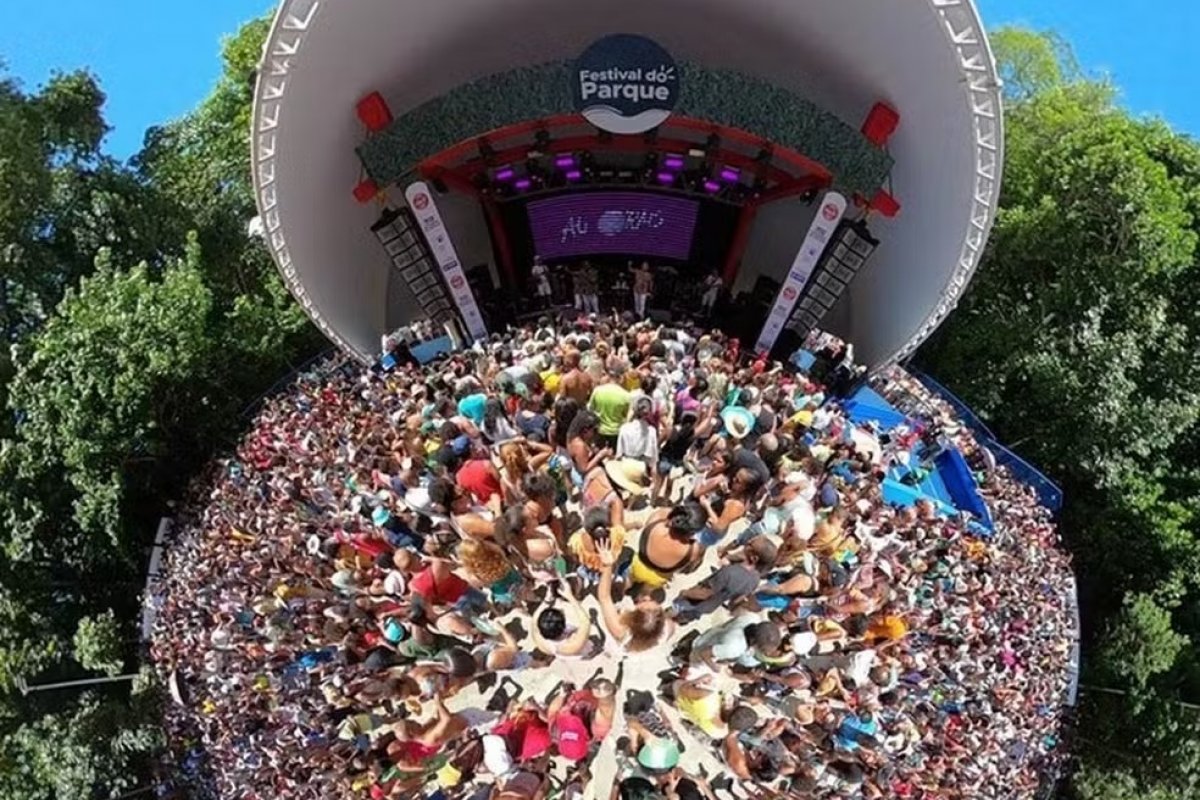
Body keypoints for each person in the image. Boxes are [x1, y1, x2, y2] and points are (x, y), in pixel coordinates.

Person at [673, 537, 777, 623]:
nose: (747, 542)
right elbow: (736, 599)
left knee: (675, 610)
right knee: (690, 615)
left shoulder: (729, 573)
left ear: (754, 558)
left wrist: (685, 593)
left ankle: (671, 618)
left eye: (750, 544)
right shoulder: (755, 580)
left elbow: (704, 594)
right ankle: (682, 619)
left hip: (693, 602)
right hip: (710, 606)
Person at [629, 503, 706, 590]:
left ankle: (622, 588)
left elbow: (663, 512)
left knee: (629, 580)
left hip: (639, 564)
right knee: (647, 590)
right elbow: (688, 565)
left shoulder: (656, 520)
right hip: (659, 577)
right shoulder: (693, 549)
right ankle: (641, 596)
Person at [589, 362, 632, 451]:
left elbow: (590, 410)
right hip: (617, 433)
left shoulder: (597, 391)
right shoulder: (626, 396)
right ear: (621, 377)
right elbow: (627, 417)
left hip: (600, 431)